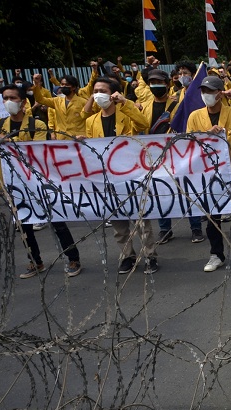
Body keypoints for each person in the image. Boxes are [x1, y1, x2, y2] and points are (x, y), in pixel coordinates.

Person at [0, 85, 83, 278]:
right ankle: (35, 261)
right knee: (24, 226)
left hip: (38, 182)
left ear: (23, 102)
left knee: (57, 222)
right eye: (5, 98)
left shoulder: (36, 125)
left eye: (12, 97)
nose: (8, 102)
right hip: (14, 185)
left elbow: (33, 151)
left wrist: (7, 143)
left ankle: (73, 258)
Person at [82, 77, 156, 274]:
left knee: (141, 219)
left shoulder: (127, 114)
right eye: (95, 90)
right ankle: (127, 256)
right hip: (106, 176)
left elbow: (143, 123)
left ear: (113, 94)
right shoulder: (91, 121)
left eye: (103, 91)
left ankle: (150, 255)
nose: (98, 94)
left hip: (130, 172)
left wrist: (125, 103)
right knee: (118, 222)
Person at [186, 75, 231, 273]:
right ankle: (216, 254)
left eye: (210, 91)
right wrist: (207, 134)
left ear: (219, 94)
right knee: (212, 216)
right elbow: (190, 142)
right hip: (208, 173)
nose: (206, 95)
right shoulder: (195, 116)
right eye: (204, 91)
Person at [140, 68, 205, 245]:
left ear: (168, 84)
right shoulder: (144, 107)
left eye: (159, 82)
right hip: (153, 155)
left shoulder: (179, 105)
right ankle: (165, 229)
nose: (156, 86)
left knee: (187, 189)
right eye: (152, 82)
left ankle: (196, 227)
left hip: (178, 153)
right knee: (159, 191)